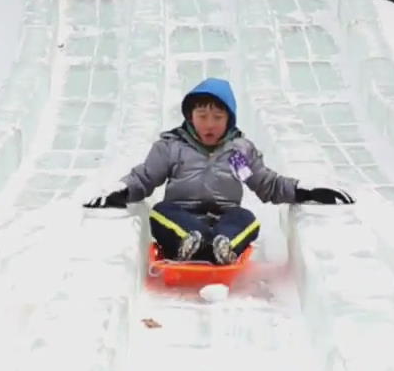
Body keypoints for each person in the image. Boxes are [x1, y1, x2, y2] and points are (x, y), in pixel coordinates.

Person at [83, 78, 355, 264]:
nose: (209, 124)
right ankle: (191, 241)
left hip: (223, 217)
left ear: (229, 119)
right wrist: (121, 191)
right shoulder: (173, 148)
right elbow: (144, 178)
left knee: (246, 217)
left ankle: (221, 244)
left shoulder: (237, 154)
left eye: (217, 117)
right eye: (202, 116)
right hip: (181, 217)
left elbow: (266, 185)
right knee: (160, 213)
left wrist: (304, 190)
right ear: (190, 117)